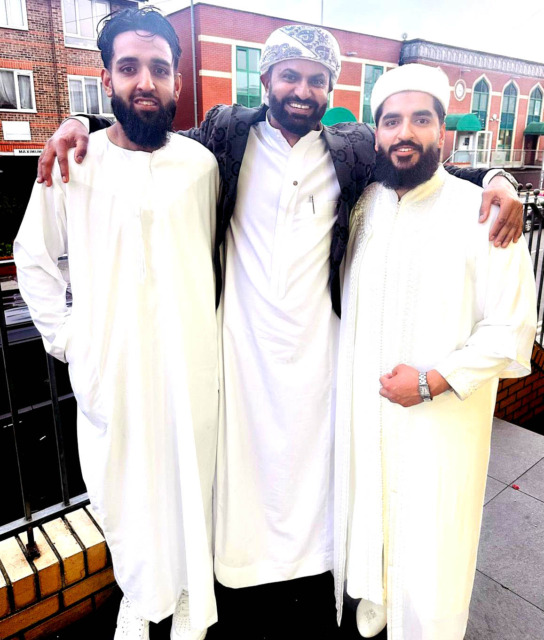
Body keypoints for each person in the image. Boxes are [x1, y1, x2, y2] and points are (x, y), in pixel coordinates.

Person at [36, 24, 523, 627]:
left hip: (320, 349)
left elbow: (418, 160)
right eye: (289, 76)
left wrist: (498, 179)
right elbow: (147, 137)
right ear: (266, 79)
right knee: (235, 472)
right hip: (236, 346)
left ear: (331, 89)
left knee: (317, 468)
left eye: (317, 80)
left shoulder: (352, 147)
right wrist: (77, 121)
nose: (302, 90)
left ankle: (325, 569)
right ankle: (204, 579)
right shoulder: (226, 132)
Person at [14, 8, 219, 640]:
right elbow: (33, 257)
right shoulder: (74, 162)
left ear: (177, 80)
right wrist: (69, 340)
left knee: (190, 479)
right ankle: (138, 594)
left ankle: (187, 594)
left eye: (159, 68)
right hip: (113, 365)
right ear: (106, 78)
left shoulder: (201, 165)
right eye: (129, 68)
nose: (145, 82)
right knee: (121, 487)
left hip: (191, 361)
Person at [334, 63, 537, 639]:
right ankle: (376, 592)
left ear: (442, 130)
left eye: (420, 119)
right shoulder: (364, 205)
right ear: (376, 133)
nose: (405, 133)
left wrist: (432, 381)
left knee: (434, 528)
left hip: (441, 415)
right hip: (370, 406)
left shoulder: (481, 212)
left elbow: (512, 327)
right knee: (371, 500)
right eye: (392, 121)